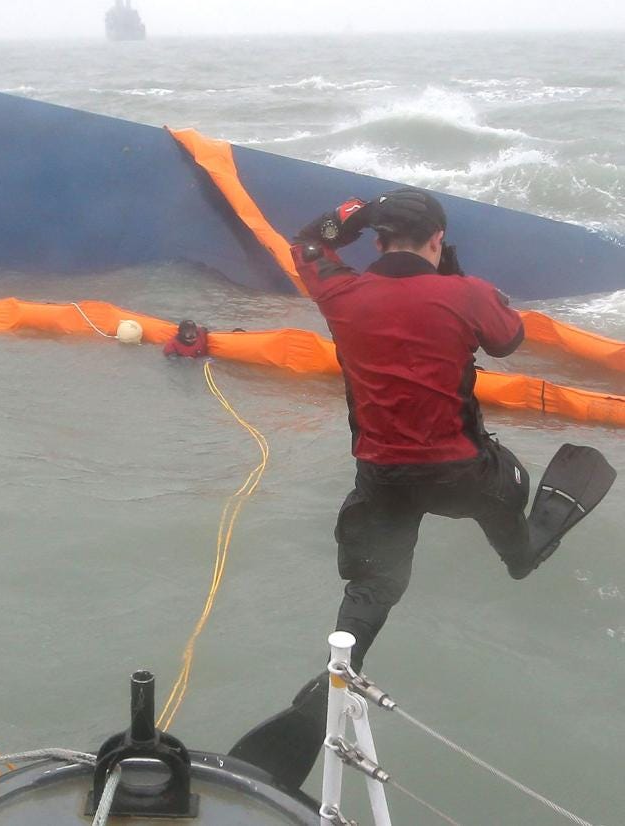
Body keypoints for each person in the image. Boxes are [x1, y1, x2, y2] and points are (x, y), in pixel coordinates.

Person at [229, 187, 614, 788]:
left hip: (382, 477)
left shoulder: (341, 291)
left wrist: (357, 209)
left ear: (377, 242)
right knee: (509, 488)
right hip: (464, 475)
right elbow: (507, 338)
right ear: (438, 241)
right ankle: (520, 556)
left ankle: (340, 668)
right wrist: (455, 278)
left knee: (376, 582)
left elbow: (307, 240)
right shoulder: (468, 294)